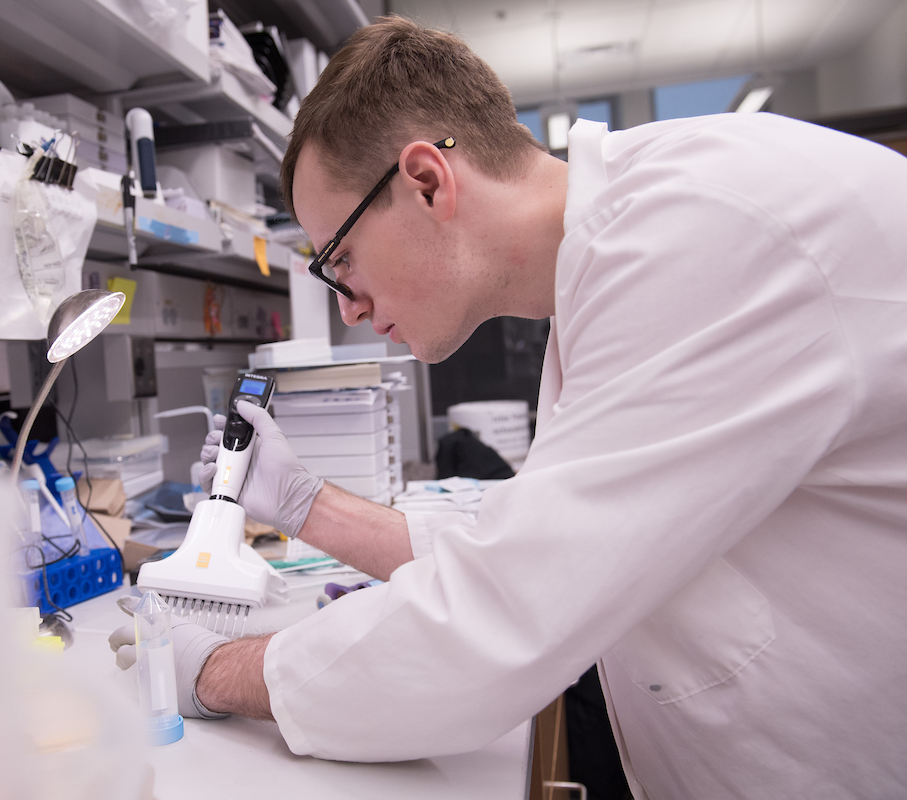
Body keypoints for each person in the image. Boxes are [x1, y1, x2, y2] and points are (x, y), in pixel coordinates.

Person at [112, 15, 907, 798]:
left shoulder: (698, 235)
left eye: (340, 260)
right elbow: (539, 544)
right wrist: (307, 504)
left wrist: (214, 670)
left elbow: (499, 619)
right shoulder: (610, 259)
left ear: (427, 181)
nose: (348, 307)